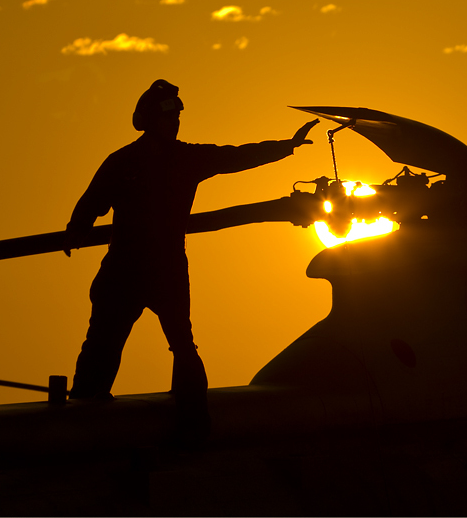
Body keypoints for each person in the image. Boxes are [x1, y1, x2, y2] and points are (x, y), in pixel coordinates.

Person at [62, 79, 318, 438]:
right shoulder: (126, 162)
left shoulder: (184, 158)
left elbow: (237, 156)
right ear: (150, 120)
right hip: (127, 269)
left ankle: (193, 427)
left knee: (181, 346)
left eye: (178, 117)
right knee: (104, 345)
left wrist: (285, 147)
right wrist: (77, 228)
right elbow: (92, 201)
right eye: (169, 117)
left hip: (160, 269)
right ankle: (82, 423)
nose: (176, 123)